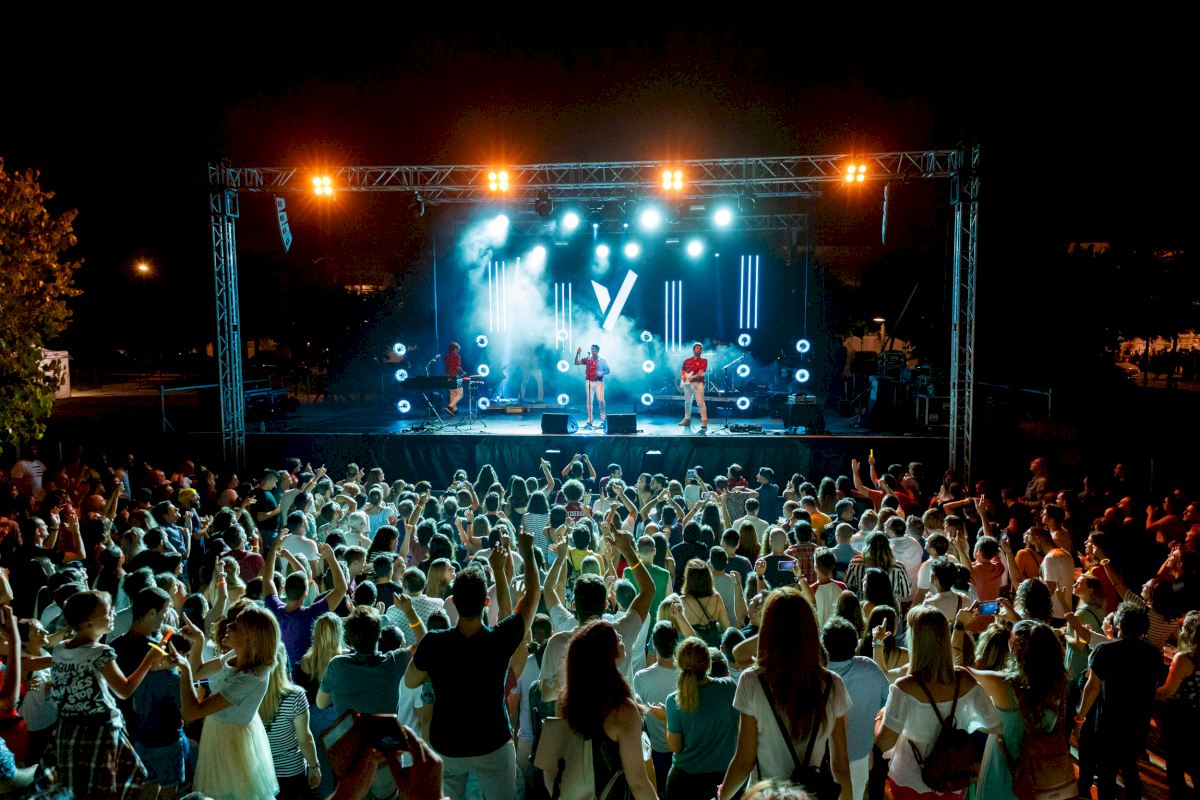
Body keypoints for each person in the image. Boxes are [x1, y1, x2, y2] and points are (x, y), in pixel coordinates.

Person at [405, 529, 541, 799]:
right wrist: (526, 552)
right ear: (485, 602)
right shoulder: (499, 639)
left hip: (447, 744)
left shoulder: (434, 643)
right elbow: (533, 597)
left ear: (454, 602)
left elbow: (410, 681)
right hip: (494, 743)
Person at [720, 587, 853, 800]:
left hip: (765, 795)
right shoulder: (832, 684)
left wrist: (722, 797)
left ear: (767, 630)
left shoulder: (752, 681)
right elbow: (840, 766)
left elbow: (744, 762)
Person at [874, 605, 1002, 800]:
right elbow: (994, 725)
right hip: (952, 776)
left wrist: (878, 720)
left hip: (909, 777)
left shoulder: (904, 688)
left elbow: (884, 743)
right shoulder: (964, 680)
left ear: (915, 641)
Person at [47, 590, 165, 798]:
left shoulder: (59, 649)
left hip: (67, 729)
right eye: (107, 613)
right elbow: (124, 690)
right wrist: (149, 659)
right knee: (107, 786)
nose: (113, 615)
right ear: (87, 623)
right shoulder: (100, 652)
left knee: (77, 787)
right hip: (99, 730)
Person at [173, 604, 281, 800]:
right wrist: (198, 641)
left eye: (236, 625)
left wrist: (183, 670)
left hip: (233, 743)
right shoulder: (236, 655)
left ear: (251, 638)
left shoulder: (250, 677)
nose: (228, 625)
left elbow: (191, 713)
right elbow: (198, 672)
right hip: (217, 730)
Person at [555, 619, 657, 800]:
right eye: (616, 638)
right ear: (607, 653)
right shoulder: (623, 711)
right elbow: (638, 783)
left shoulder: (564, 701)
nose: (621, 638)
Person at [969, 620, 1068, 800]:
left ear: (1016, 648)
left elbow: (960, 673)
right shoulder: (1057, 685)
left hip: (1003, 779)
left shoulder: (1005, 686)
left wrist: (960, 626)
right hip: (1040, 780)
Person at [1075, 601, 1163, 800]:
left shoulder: (1105, 650)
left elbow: (1092, 687)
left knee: (1107, 773)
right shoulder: (1154, 654)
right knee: (1130, 768)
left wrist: (1080, 716)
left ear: (1119, 625)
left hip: (1109, 722)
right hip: (1138, 721)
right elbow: (1153, 688)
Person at [821, 616, 889, 800]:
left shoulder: (814, 676)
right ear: (855, 644)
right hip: (859, 758)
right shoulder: (871, 669)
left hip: (819, 761)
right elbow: (888, 705)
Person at [665, 636, 739, 800]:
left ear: (679, 664)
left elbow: (676, 747)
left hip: (684, 783)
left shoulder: (673, 701)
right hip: (722, 782)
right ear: (708, 661)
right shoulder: (729, 687)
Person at [263, 537, 347, 675]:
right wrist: (331, 558)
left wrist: (273, 549)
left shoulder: (274, 609)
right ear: (306, 592)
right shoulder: (311, 615)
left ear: (284, 589)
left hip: (278, 677)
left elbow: (267, 579)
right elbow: (341, 589)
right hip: (304, 677)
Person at [260, 645, 321, 799]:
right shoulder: (295, 696)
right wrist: (314, 766)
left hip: (260, 771)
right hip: (291, 771)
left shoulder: (248, 695)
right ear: (283, 662)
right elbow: (305, 739)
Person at [632, 621, 680, 796]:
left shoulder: (641, 678)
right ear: (676, 643)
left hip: (654, 752)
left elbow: (639, 718)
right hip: (683, 751)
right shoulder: (687, 675)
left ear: (653, 644)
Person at [1156, 609, 1200, 799]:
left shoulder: (1184, 659)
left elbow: (1168, 691)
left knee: (1175, 767)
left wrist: (1151, 691)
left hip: (1180, 719)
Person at [573, 343, 610, 428]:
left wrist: (601, 372)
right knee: (589, 401)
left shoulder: (602, 360)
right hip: (589, 381)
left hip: (599, 382)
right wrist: (578, 353)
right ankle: (589, 421)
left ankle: (603, 419)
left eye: (595, 350)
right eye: (592, 349)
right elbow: (576, 362)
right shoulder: (588, 359)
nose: (593, 351)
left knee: (601, 400)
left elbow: (608, 370)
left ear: (598, 351)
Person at [678, 342, 709, 431]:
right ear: (693, 350)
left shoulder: (704, 360)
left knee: (700, 403)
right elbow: (682, 369)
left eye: (700, 348)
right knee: (687, 402)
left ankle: (704, 422)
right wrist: (684, 377)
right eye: (697, 348)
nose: (699, 349)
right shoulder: (687, 360)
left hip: (698, 384)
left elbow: (701, 372)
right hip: (687, 384)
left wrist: (692, 377)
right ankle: (687, 419)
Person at [443, 341, 466, 416]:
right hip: (457, 377)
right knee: (460, 394)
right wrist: (463, 372)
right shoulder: (457, 356)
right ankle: (449, 407)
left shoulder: (446, 357)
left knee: (452, 394)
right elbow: (458, 367)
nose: (458, 351)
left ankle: (454, 410)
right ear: (455, 349)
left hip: (448, 377)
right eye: (458, 349)